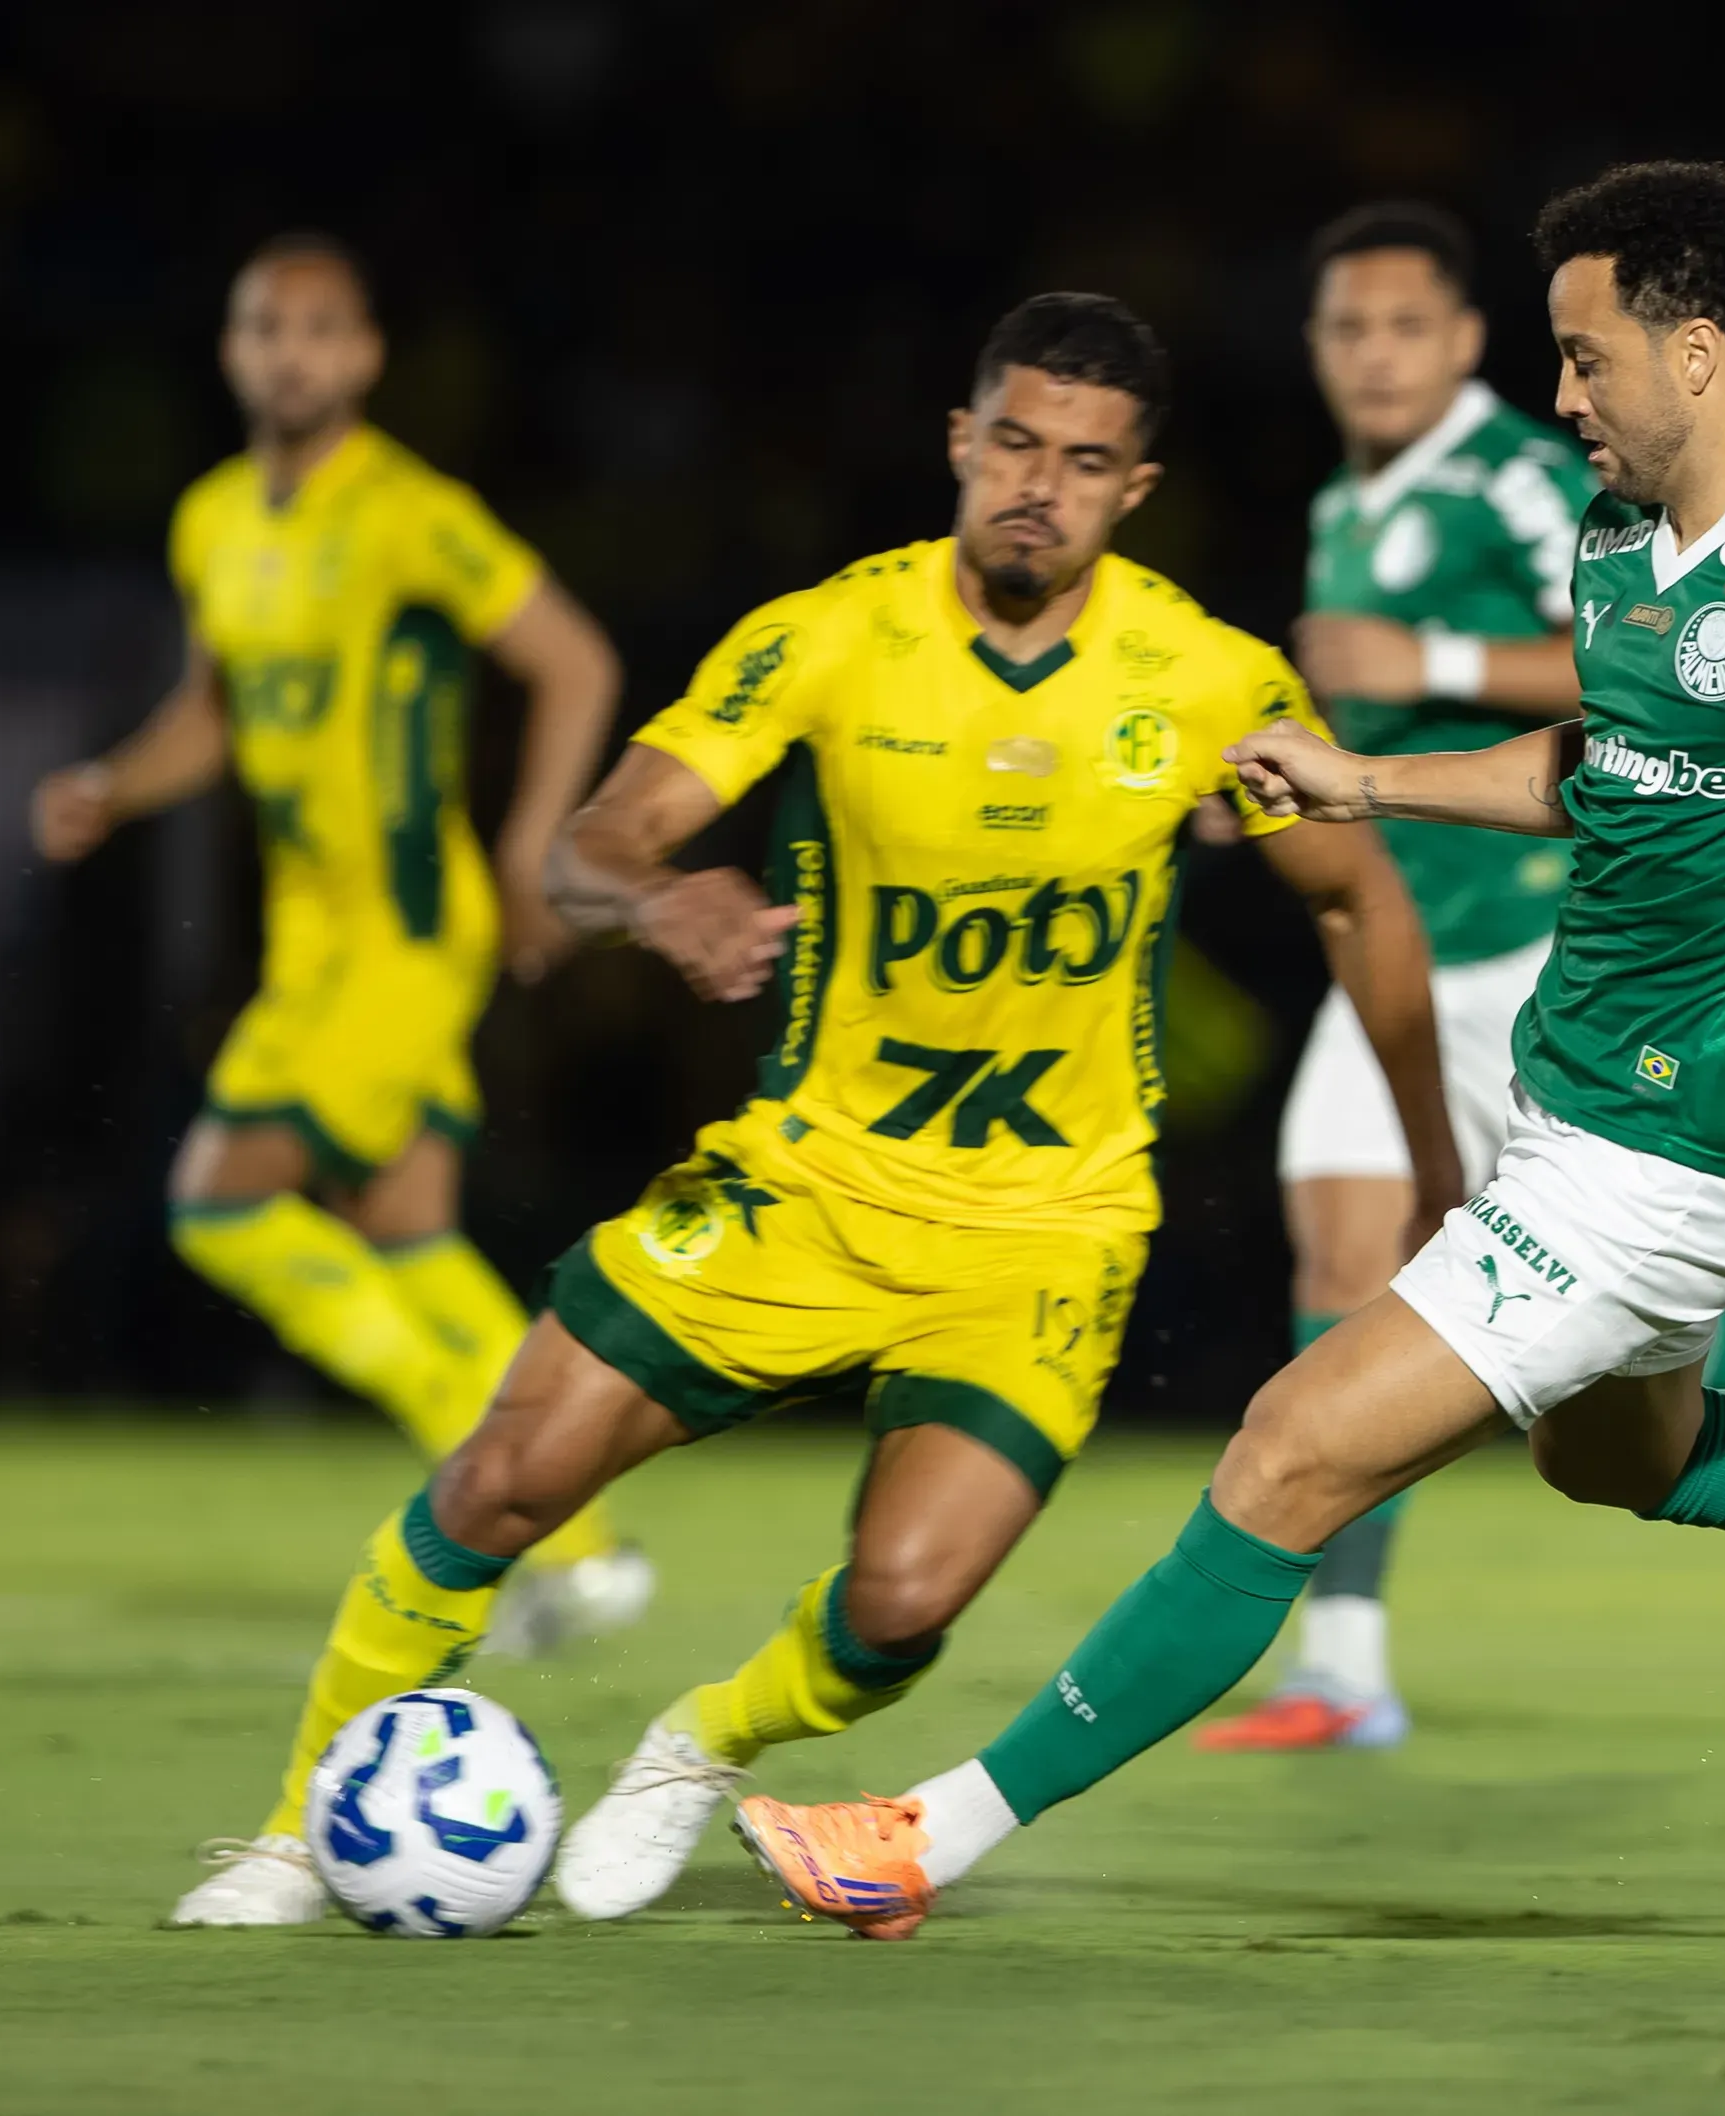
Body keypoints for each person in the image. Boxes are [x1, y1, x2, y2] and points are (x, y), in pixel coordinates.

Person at [730, 161, 1725, 1940]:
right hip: (1581, 1120)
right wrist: (1363, 779)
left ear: (1696, 349)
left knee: (1282, 1454)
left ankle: (919, 1839)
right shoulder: (1618, 539)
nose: (1559, 395)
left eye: (1584, 358)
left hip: (1669, 1161)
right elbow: (1600, 767)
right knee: (1620, 1462)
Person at [163, 292, 1462, 1928]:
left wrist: (1434, 1162)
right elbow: (591, 843)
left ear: (1134, 490)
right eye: (1012, 444)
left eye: (1083, 463)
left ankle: (697, 1746)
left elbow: (1358, 900)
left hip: (1042, 1231)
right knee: (501, 1480)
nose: (1037, 486)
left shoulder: (1205, 679)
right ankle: (297, 1835)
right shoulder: (831, 637)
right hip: (803, 1184)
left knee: (901, 1605)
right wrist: (660, 902)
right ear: (959, 441)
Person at [1203, 201, 1725, 1755]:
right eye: (1345, 330)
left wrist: (1417, 671)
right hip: (1396, 937)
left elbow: (1642, 668)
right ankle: (1342, 1664)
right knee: (1342, 1249)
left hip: (1525, 947)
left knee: (1612, 1306)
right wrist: (1316, 773)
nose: (1373, 357)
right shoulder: (1351, 499)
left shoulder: (1522, 475)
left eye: (1405, 328)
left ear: (1462, 344)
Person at [29, 233, 648, 1658]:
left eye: (319, 329)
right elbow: (215, 714)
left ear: (365, 356)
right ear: (232, 351)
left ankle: (493, 1485)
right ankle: (586, 1550)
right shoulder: (210, 522)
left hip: (404, 935)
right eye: (266, 327)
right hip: (312, 942)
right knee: (409, 1237)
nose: (291, 353)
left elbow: (576, 660)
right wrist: (114, 786)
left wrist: (529, 844)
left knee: (218, 1202)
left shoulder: (410, 513)